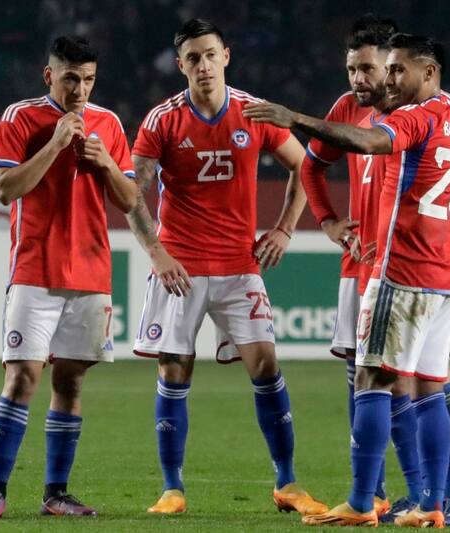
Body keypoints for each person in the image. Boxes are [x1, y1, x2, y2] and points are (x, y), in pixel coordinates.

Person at [245, 33, 450, 528]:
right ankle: (432, 505)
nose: (388, 79)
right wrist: (438, 224)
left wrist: (293, 118)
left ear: (428, 72)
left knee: (371, 378)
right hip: (445, 273)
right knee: (428, 388)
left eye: (398, 70)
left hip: (399, 272)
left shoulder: (412, 116)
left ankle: (363, 502)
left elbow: (366, 140)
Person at [125, 18, 326, 517]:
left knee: (267, 365)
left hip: (239, 266)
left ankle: (287, 482)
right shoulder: (162, 120)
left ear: (226, 56)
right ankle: (172, 488)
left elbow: (305, 166)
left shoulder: (254, 112)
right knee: (176, 369)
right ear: (181, 66)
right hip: (182, 267)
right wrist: (157, 253)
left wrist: (283, 229)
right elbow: (133, 194)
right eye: (193, 58)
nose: (203, 65)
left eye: (210, 54)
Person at [0, 36, 137, 519]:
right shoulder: (20, 118)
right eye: (70, 78)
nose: (80, 88)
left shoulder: (108, 124)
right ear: (49, 76)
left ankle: (56, 493)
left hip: (92, 274)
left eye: (87, 79)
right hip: (35, 271)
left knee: (70, 382)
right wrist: (57, 144)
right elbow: (5, 189)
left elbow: (129, 200)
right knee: (22, 377)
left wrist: (106, 162)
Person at [299, 13, 397, 518]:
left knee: (420, 380)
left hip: (404, 269)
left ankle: (437, 494)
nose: (358, 79)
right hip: (358, 265)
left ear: (392, 66)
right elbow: (311, 165)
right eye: (351, 69)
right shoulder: (346, 109)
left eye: (366, 69)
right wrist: (329, 221)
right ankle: (372, 491)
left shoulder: (417, 111)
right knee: (359, 378)